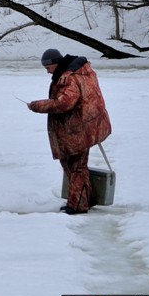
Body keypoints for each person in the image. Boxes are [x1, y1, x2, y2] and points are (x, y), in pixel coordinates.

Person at [28, 48, 112, 215]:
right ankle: (86, 200)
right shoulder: (82, 72)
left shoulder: (69, 78)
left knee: (75, 167)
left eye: (48, 68)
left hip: (77, 129)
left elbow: (65, 103)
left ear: (55, 64)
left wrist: (38, 106)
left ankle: (77, 206)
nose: (47, 71)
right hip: (86, 125)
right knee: (77, 166)